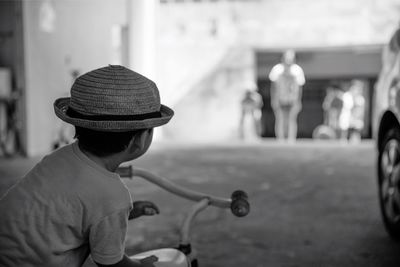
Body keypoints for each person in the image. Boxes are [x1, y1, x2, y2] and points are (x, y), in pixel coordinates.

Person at [0, 65, 174, 267]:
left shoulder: (59, 157)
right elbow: (111, 264)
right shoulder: (112, 196)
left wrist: (125, 213)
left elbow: (69, 210)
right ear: (140, 140)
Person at [269, 49, 305, 142]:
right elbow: (273, 86)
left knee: (291, 120)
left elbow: (300, 87)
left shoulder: (297, 70)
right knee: (280, 119)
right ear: (282, 58)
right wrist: (274, 99)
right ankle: (280, 140)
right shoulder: (277, 69)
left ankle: (291, 140)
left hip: (292, 99)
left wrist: (298, 101)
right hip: (280, 98)